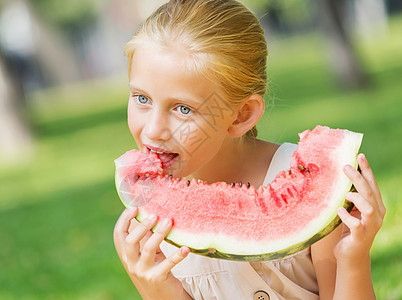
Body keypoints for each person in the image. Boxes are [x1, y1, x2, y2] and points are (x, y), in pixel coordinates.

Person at [113, 0, 386, 299]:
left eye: (182, 109)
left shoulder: (311, 184)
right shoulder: (146, 233)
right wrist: (157, 292)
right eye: (141, 98)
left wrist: (353, 259)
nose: (153, 129)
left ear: (242, 115)